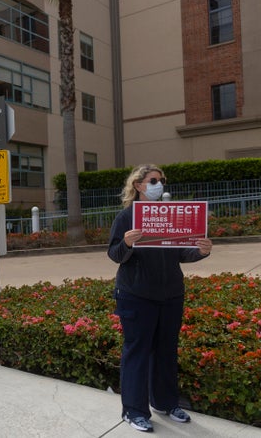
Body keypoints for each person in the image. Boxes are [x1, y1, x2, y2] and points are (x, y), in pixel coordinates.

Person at [108, 164, 213, 433]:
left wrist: (201, 251)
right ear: (139, 185)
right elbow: (115, 254)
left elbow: (180, 253)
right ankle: (134, 411)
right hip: (136, 296)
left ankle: (165, 403)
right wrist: (128, 244)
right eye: (153, 180)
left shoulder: (170, 216)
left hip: (170, 295)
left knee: (166, 352)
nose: (159, 184)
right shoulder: (126, 217)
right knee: (138, 353)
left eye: (161, 180)